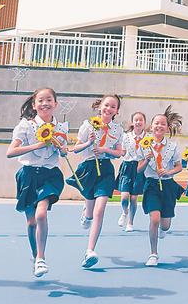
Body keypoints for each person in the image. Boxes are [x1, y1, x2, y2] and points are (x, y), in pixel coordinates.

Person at [7, 87, 69, 278]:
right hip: (28, 176)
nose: (45, 103)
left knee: (41, 214)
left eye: (49, 100)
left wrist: (63, 150)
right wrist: (39, 144)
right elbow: (10, 152)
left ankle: (41, 257)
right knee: (31, 222)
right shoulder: (26, 126)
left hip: (50, 175)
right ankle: (36, 256)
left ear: (55, 104)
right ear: (34, 105)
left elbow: (64, 151)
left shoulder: (61, 128)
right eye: (40, 100)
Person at [67, 94, 124, 268]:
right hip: (89, 168)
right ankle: (87, 213)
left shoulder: (118, 130)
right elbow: (75, 149)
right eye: (106, 105)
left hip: (105, 170)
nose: (109, 109)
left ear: (117, 111)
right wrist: (89, 143)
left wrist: (105, 150)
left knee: (100, 210)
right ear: (100, 107)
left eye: (113, 106)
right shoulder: (88, 125)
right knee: (91, 214)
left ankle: (90, 250)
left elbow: (119, 153)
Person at [138, 106, 184, 266]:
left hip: (168, 185)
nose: (159, 126)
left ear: (167, 128)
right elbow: (138, 169)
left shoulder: (173, 146)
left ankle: (162, 230)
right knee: (155, 219)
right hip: (151, 185)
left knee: (165, 225)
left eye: (163, 124)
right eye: (156, 123)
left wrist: (168, 172)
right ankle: (153, 254)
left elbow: (179, 167)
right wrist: (146, 159)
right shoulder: (144, 145)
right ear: (151, 127)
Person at [117, 111, 148, 232]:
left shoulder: (148, 138)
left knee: (134, 198)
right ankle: (124, 212)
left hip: (139, 168)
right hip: (127, 166)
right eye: (136, 120)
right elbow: (123, 151)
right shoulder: (126, 136)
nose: (138, 122)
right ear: (132, 122)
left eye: (141, 120)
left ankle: (130, 222)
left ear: (144, 123)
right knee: (124, 197)